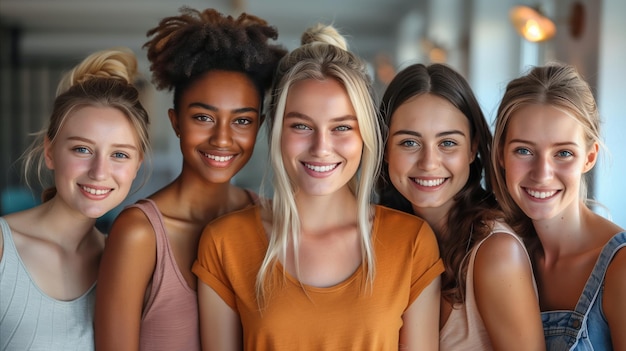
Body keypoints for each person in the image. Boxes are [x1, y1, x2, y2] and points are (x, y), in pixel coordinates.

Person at [193, 24, 444, 351]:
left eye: (341, 127)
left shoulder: (411, 242)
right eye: (301, 125)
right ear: (277, 131)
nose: (321, 147)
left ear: (365, 134)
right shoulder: (225, 242)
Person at [94, 7, 286, 351]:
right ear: (175, 121)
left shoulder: (275, 221)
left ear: (258, 126)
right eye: (203, 117)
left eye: (242, 121)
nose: (223, 139)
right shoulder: (139, 234)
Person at [377, 63, 545, 350]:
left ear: (472, 148)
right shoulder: (389, 238)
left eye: (448, 143)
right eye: (409, 142)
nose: (429, 163)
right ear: (385, 149)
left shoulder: (495, 252)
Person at [0, 47, 150, 350]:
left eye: (119, 154)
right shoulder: (4, 248)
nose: (99, 171)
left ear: (137, 165)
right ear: (50, 151)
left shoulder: (124, 263)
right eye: (82, 149)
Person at [492, 63, 626, 350]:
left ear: (589, 158)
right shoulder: (503, 251)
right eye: (524, 150)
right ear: (501, 154)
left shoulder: (620, 268)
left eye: (563, 153)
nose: (542, 173)